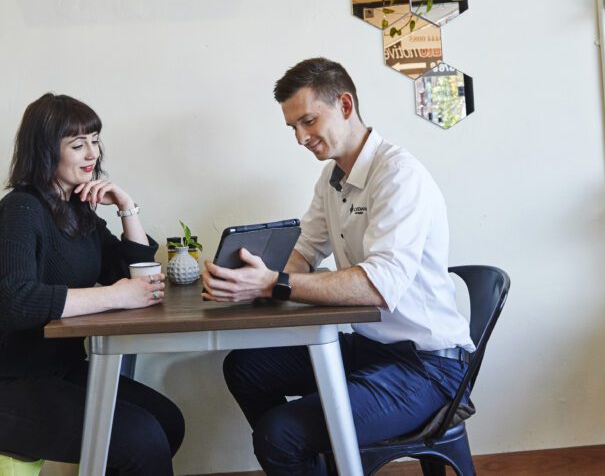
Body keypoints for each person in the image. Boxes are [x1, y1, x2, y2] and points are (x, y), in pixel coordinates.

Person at [202, 57, 474, 476]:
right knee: (244, 368)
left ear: (345, 105)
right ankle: (319, 465)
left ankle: (303, 456)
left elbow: (377, 287)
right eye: (293, 127)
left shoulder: (399, 176)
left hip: (428, 367)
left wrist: (274, 283)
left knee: (280, 435)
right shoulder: (333, 178)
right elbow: (305, 251)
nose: (300, 137)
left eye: (308, 121)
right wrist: (251, 274)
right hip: (372, 348)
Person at [0, 93, 184, 476]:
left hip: (57, 372)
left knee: (167, 421)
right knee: (139, 438)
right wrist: (113, 296)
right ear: (45, 151)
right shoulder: (21, 210)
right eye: (78, 145)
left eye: (94, 140)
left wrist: (126, 207)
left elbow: (134, 272)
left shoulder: (77, 211)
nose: (92, 153)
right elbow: (13, 302)